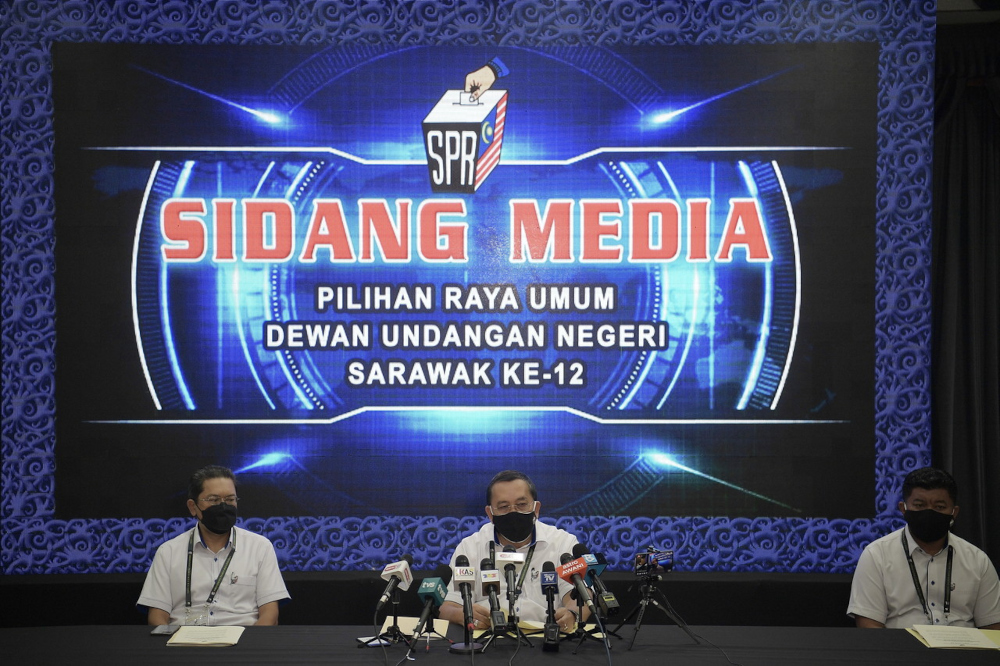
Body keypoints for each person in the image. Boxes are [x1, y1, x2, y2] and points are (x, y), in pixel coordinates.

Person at [847, 467, 1000, 629]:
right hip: (902, 650)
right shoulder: (877, 555)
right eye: (919, 505)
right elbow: (869, 625)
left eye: (939, 507)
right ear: (903, 509)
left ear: (954, 512)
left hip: (962, 650)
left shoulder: (977, 560)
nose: (929, 512)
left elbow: (993, 626)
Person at [438, 470, 590, 633]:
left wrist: (572, 614)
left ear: (536, 508)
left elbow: (581, 595)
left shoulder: (563, 543)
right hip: (488, 639)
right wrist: (462, 614)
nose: (513, 512)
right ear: (490, 513)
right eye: (503, 507)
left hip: (545, 638)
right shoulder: (470, 547)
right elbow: (447, 607)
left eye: (522, 504)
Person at [137, 465, 290, 626]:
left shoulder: (260, 547)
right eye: (214, 500)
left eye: (230, 499)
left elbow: (270, 614)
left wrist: (250, 647)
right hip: (185, 643)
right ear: (193, 507)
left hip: (243, 640)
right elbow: (157, 616)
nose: (223, 506)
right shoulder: (168, 552)